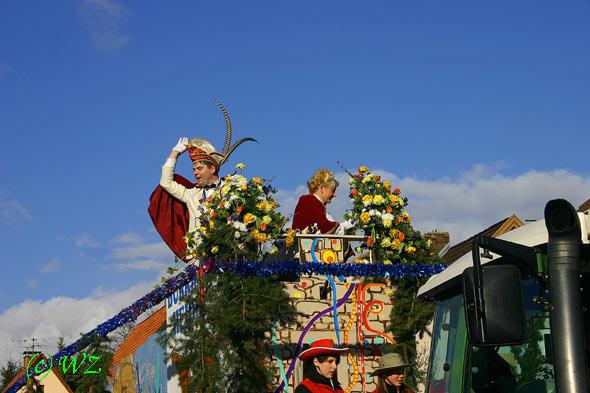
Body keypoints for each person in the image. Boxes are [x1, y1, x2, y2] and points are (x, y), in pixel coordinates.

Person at [148, 102, 256, 261]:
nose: (195, 173)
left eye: (199, 168)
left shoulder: (233, 189)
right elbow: (166, 183)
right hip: (199, 259)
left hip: (230, 257)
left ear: (212, 169)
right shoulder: (191, 194)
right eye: (194, 169)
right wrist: (174, 153)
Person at [292, 169, 354, 234]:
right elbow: (324, 227)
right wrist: (346, 225)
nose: (335, 194)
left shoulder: (316, 203)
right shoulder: (308, 200)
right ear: (322, 188)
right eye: (333, 190)